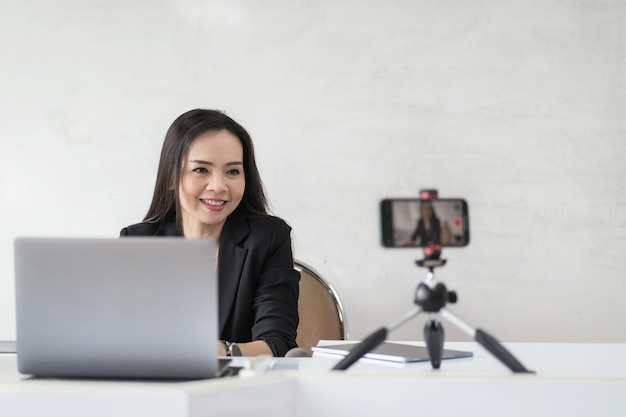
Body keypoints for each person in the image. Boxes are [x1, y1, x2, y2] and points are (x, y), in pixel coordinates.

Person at [120, 109, 299, 357]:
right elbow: (125, 340)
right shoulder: (138, 242)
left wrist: (223, 351)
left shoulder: (268, 238)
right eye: (201, 170)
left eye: (233, 171)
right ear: (171, 177)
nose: (218, 186)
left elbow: (277, 343)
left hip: (240, 389)